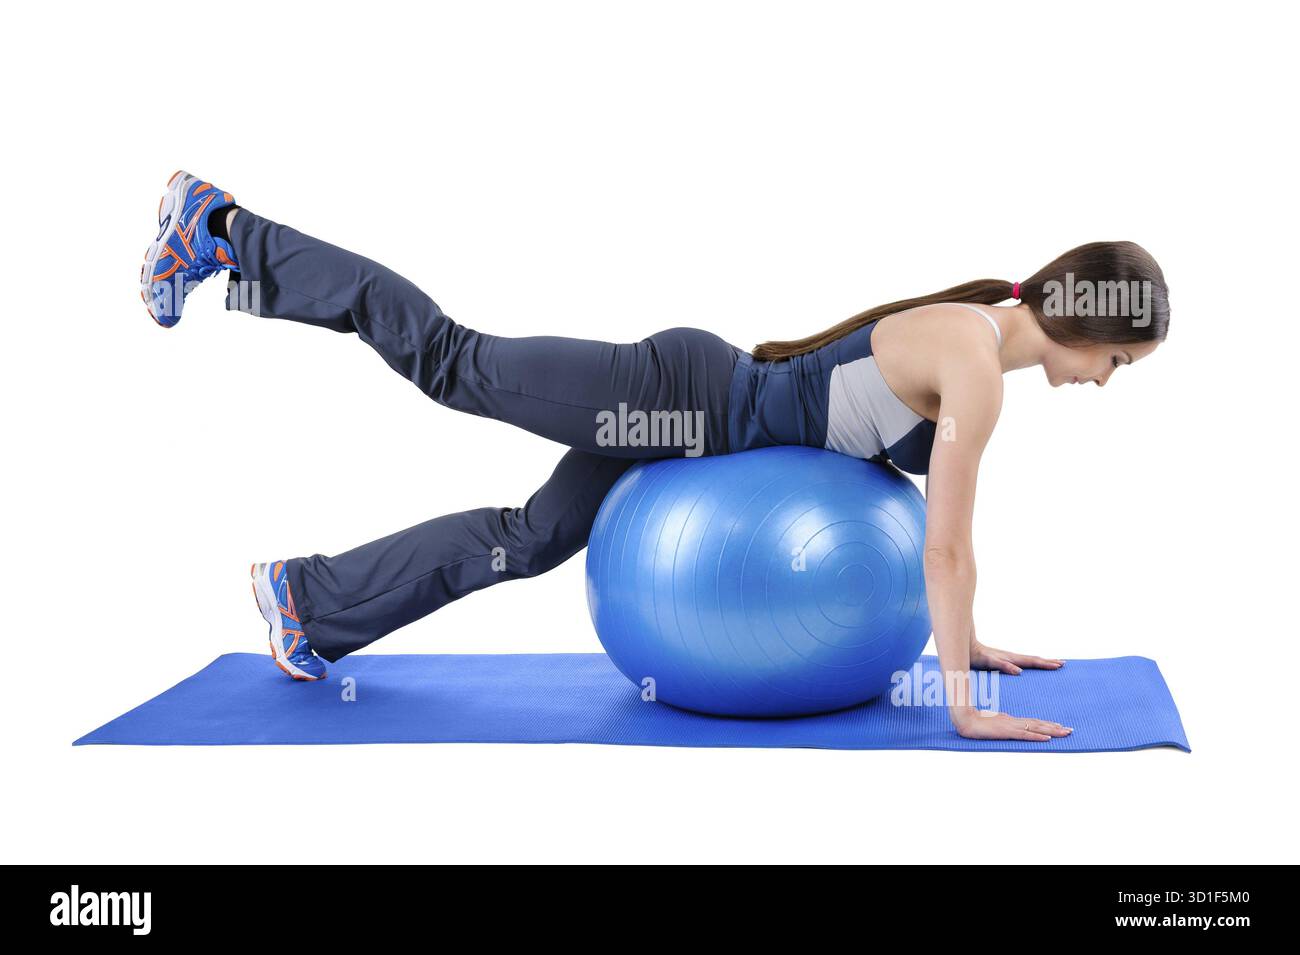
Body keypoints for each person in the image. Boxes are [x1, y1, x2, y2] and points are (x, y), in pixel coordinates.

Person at [140, 171, 1169, 742]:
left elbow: (940, 548)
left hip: (696, 426)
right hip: (676, 399)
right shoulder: (978, 366)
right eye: (1118, 360)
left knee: (532, 540)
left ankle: (307, 601)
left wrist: (968, 641)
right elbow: (942, 549)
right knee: (452, 361)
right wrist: (961, 704)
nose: (1107, 380)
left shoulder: (977, 340)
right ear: (1087, 323)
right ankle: (225, 229)